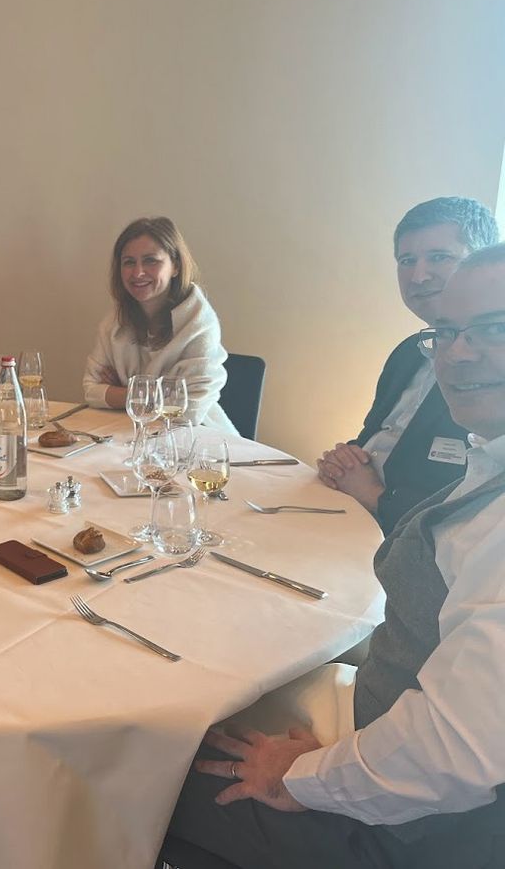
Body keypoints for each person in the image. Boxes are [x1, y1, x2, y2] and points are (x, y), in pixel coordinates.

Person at [160, 246, 505, 869]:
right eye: (446, 333)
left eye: (492, 328)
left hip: (411, 832)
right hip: (383, 720)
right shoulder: (490, 460)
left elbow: (452, 753)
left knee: (146, 774)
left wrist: (301, 777)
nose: (457, 353)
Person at [316, 197, 499, 534]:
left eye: (439, 257)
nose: (418, 276)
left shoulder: (487, 368)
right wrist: (343, 460)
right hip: (350, 513)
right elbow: (375, 439)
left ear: (480, 262)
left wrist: (374, 495)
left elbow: (469, 509)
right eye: (407, 260)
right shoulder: (408, 353)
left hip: (406, 541)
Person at [82, 217, 237, 433]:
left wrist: (125, 391)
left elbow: (189, 411)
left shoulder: (200, 322)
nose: (138, 273)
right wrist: (157, 395)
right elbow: (91, 391)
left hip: (197, 438)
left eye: (151, 260)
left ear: (175, 266)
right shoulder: (115, 322)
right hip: (133, 434)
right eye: (129, 262)